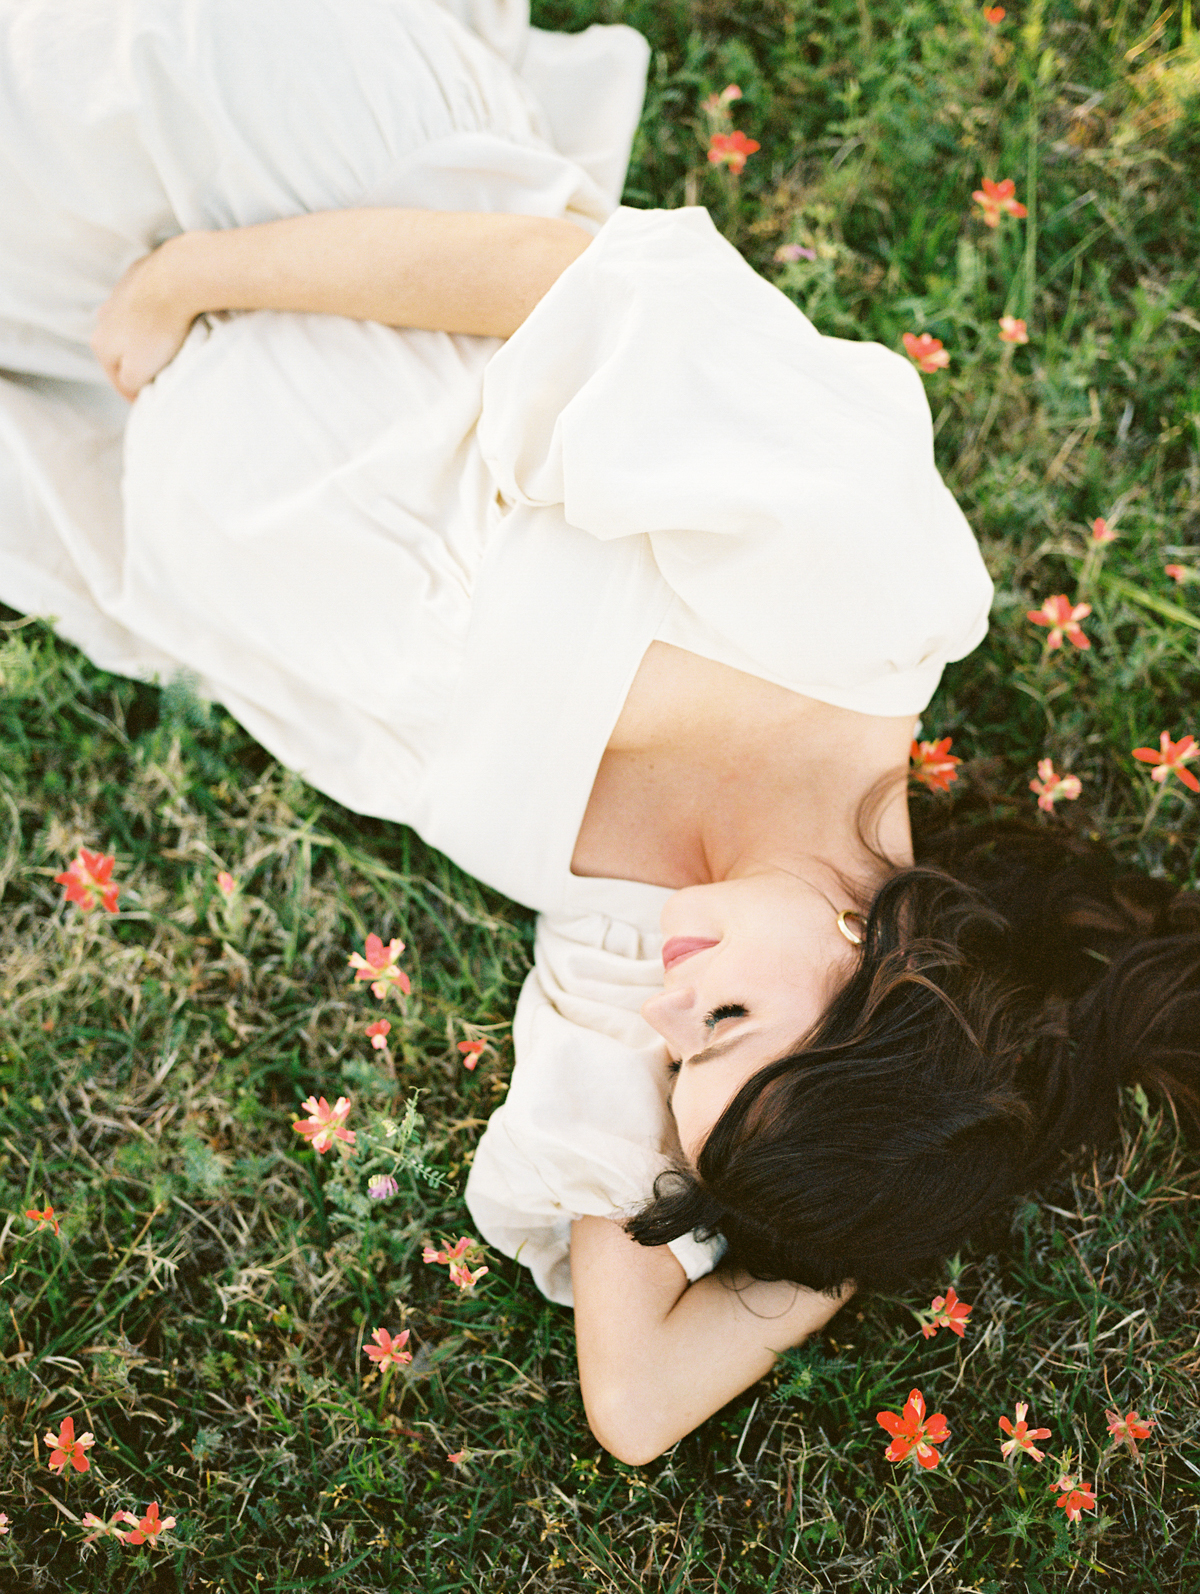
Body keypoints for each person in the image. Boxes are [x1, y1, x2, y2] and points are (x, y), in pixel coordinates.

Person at [2, 0, 1196, 1468]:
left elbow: (630, 1406)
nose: (667, 1026)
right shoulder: (865, 597)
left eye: (680, 1072)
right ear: (882, 971)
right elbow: (542, 285)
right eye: (727, 1034)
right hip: (270, 206)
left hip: (120, 414)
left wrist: (842, 1236)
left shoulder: (641, 953)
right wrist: (189, 279)